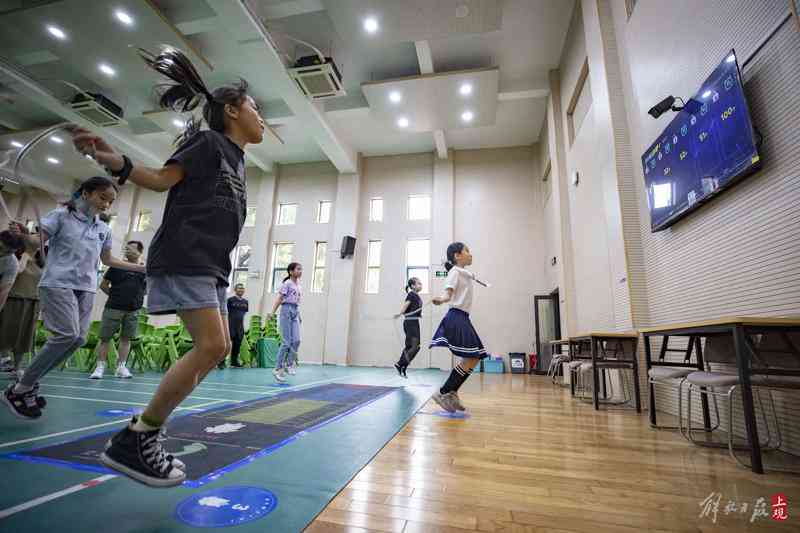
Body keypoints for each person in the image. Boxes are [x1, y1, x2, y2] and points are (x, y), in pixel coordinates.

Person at [70, 45, 264, 487]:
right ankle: (138, 436)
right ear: (232, 110)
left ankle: (143, 435)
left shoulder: (237, 159)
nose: (261, 117)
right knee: (214, 346)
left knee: (220, 349)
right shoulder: (208, 142)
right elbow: (160, 180)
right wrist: (113, 160)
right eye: (255, 107)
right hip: (186, 255)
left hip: (212, 265)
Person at [3, 177, 145, 420]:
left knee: (78, 339)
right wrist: (24, 234)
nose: (106, 204)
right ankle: (21, 387)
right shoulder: (60, 216)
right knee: (67, 334)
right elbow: (36, 242)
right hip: (58, 283)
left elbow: (109, 260)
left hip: (86, 288)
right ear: (86, 193)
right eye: (102, 198)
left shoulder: (103, 229)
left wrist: (142, 268)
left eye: (110, 201)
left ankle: (26, 385)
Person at [429, 242, 487, 412]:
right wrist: (441, 299)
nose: (470, 253)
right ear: (457, 255)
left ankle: (451, 391)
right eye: (467, 251)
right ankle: (443, 392)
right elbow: (448, 293)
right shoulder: (454, 272)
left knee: (475, 357)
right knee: (474, 356)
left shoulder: (464, 273)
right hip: (456, 317)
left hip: (463, 318)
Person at [90, 240, 147, 379]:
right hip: (113, 307)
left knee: (126, 339)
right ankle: (100, 367)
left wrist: (138, 297)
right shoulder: (116, 266)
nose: (127, 251)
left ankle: (121, 367)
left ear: (139, 252)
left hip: (133, 309)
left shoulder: (144, 269)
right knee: (105, 338)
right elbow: (103, 284)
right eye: (126, 249)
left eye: (131, 249)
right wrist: (114, 295)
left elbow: (147, 287)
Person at [0, 248, 43, 377]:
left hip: (32, 301)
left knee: (24, 337)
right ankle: (5, 359)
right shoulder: (15, 258)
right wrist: (25, 256)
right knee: (5, 333)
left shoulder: (41, 261)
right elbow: (17, 271)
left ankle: (17, 367)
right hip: (13, 299)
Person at [269, 262, 302, 383]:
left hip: (295, 311)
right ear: (291, 271)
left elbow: (297, 302)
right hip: (286, 310)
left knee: (297, 340)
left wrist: (299, 315)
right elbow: (279, 298)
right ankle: (277, 368)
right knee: (286, 342)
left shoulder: (299, 285)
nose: (300, 271)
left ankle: (289, 364)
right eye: (298, 269)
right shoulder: (287, 283)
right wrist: (272, 312)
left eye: (301, 269)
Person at [393, 277, 423, 378]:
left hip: (415, 321)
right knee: (415, 346)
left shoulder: (417, 296)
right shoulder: (411, 294)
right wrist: (400, 313)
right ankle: (400, 364)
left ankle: (403, 366)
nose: (420, 285)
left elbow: (415, 308)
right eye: (418, 283)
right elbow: (406, 305)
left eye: (421, 284)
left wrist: (419, 314)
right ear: (413, 286)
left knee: (412, 347)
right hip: (410, 322)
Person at [221, 283, 248, 369]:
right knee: (227, 345)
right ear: (235, 290)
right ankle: (221, 362)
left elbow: (243, 314)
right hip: (230, 325)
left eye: (242, 288)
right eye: (239, 288)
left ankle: (234, 362)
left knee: (237, 345)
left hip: (240, 327)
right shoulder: (230, 300)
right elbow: (224, 312)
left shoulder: (245, 302)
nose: (241, 290)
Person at [0, 229, 23, 312]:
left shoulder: (12, 264)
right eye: (0, 248)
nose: (2, 253)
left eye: (9, 252)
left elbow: (4, 291)